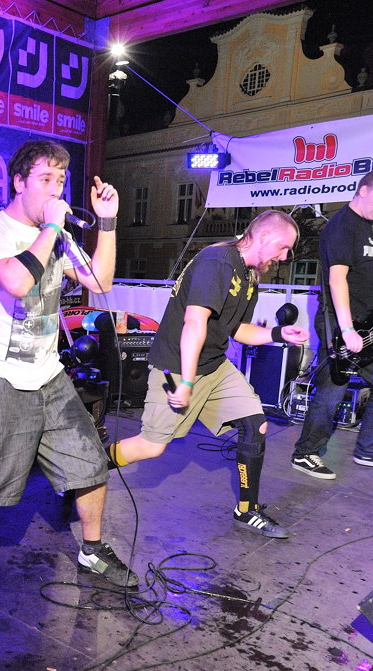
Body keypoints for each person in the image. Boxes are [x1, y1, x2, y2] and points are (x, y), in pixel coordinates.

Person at [0, 140, 137, 607]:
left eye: (61, 181)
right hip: (1, 376)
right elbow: (17, 281)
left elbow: (100, 281)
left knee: (90, 462)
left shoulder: (59, 237)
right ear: (19, 182)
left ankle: (92, 551)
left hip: (49, 374)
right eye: (45, 179)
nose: (55, 190)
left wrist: (108, 222)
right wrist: (52, 227)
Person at [107, 210, 306, 539]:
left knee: (255, 423)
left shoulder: (250, 276)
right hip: (177, 366)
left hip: (214, 366)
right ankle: (86, 470)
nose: (284, 257)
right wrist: (186, 381)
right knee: (151, 446)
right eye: (283, 248)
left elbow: (236, 329)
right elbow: (194, 323)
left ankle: (247, 511)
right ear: (265, 237)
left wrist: (277, 334)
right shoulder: (218, 263)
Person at [291, 165, 373, 479]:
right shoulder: (342, 226)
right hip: (339, 321)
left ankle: (370, 450)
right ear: (363, 190)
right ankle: (305, 453)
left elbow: (372, 276)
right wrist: (346, 329)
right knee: (333, 390)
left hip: (368, 321)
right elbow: (337, 280)